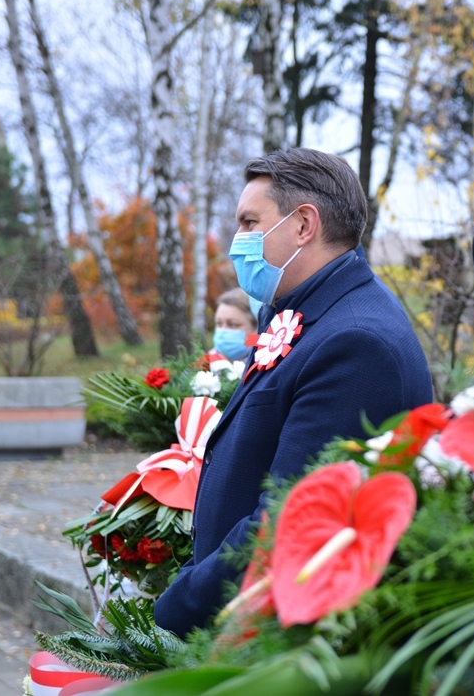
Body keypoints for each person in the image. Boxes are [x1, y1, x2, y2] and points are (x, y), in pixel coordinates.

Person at [155, 148, 433, 636]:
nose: (237, 241)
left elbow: (289, 519)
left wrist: (180, 606)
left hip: (272, 630)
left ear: (304, 225)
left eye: (249, 222)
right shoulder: (302, 311)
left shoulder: (356, 342)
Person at [209, 287, 257, 362]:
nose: (223, 331)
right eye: (219, 324)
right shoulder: (204, 364)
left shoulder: (267, 363)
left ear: (255, 328)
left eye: (233, 325)